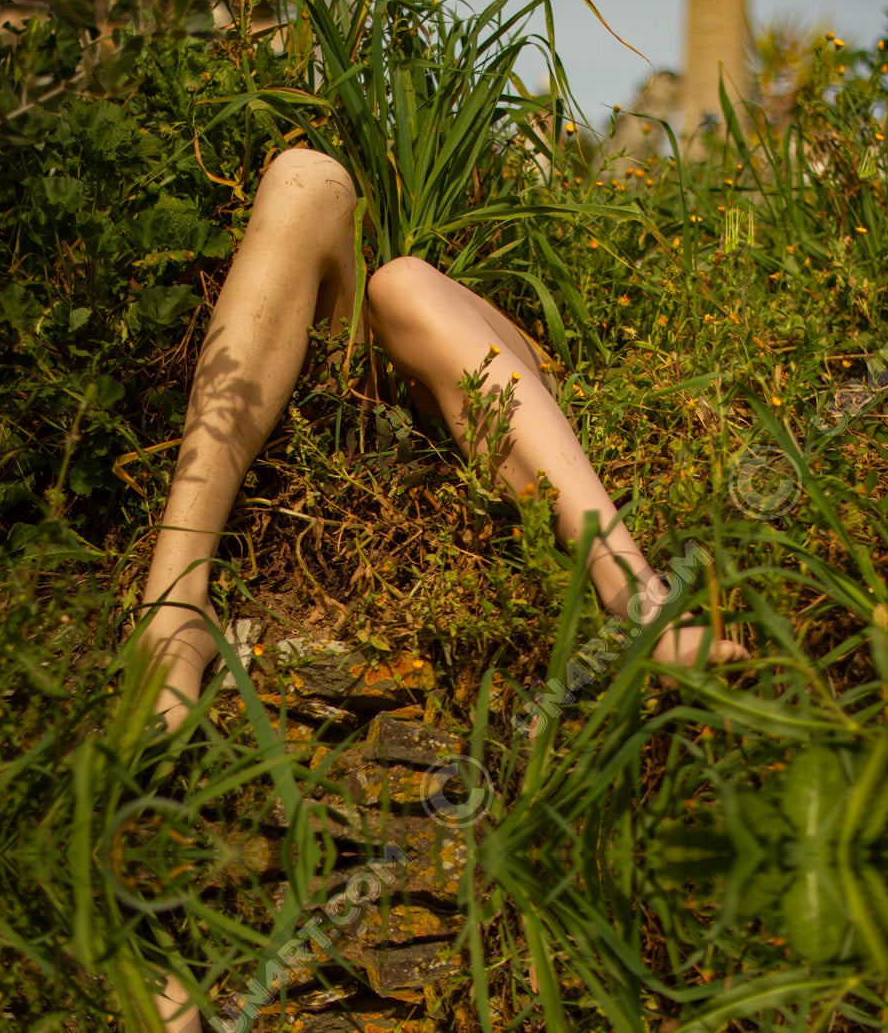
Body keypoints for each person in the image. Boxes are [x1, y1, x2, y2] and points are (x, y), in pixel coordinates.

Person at [135, 147, 751, 733]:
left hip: (467, 344)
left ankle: (638, 592)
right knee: (307, 177)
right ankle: (173, 604)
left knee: (404, 282)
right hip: (356, 368)